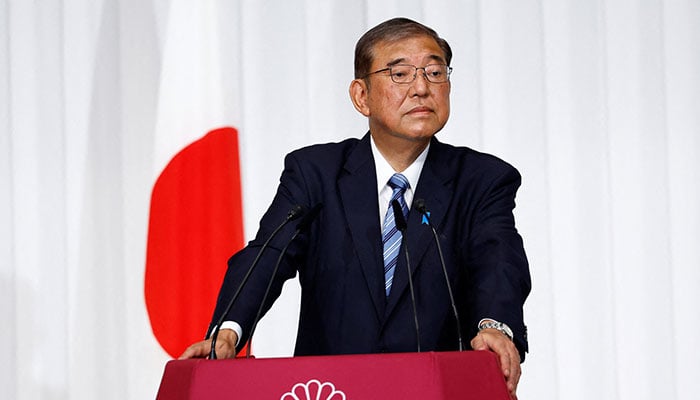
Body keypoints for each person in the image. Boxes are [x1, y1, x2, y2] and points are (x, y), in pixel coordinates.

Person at [180, 17, 531, 397]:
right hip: (332, 390)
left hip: (438, 389)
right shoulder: (316, 173)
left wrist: (495, 325)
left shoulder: (482, 179)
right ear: (361, 95)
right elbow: (269, 254)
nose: (420, 88)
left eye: (434, 72)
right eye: (400, 74)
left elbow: (498, 259)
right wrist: (229, 330)